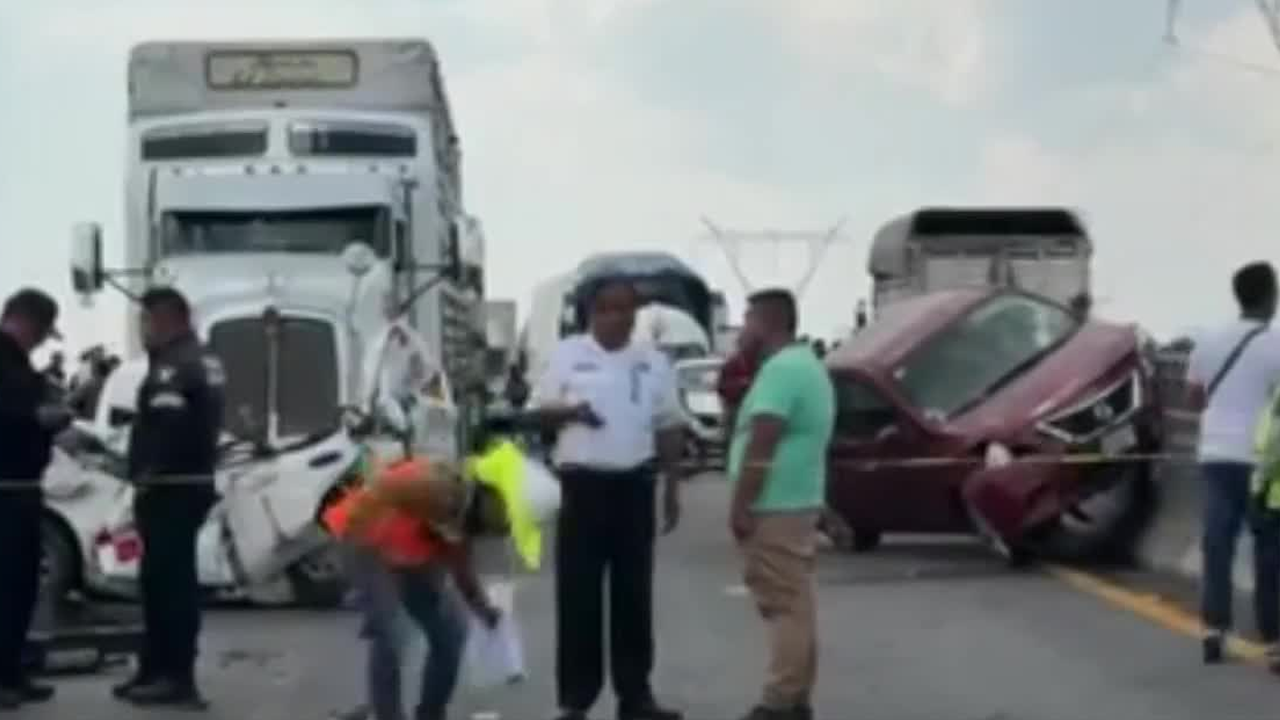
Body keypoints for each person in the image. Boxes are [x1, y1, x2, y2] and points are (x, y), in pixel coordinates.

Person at [532, 276, 684, 720]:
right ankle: (575, 701)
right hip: (583, 487)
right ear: (592, 313)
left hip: (634, 486)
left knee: (633, 595)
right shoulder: (568, 355)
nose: (618, 318)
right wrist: (572, 412)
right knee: (578, 595)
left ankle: (635, 696)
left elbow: (668, 424)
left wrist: (672, 488)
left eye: (626, 309)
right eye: (608, 309)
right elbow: (540, 412)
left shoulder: (652, 362)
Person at [323, 454, 506, 720]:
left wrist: (483, 609)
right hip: (367, 544)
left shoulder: (461, 522)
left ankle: (431, 713)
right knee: (392, 633)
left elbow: (461, 569)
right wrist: (374, 598)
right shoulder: (425, 483)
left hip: (412, 555)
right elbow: (370, 499)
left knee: (452, 631)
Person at [113, 287, 225, 707]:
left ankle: (175, 677)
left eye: (144, 321)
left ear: (163, 319)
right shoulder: (203, 357)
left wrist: (147, 472)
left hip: (170, 487)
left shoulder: (174, 365)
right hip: (187, 484)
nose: (142, 331)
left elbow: (169, 425)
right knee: (160, 580)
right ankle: (155, 668)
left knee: (168, 585)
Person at [727, 288, 835, 720]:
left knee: (782, 606)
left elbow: (763, 442)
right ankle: (797, 697)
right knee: (796, 603)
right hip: (795, 500)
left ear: (768, 322)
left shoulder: (781, 371)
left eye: (748, 320)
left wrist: (741, 504)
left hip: (775, 503)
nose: (742, 331)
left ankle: (779, 701)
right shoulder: (807, 365)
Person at [1185, 261, 1280, 670]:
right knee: (1269, 550)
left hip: (1217, 456)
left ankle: (1213, 630)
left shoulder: (1208, 340)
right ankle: (1274, 639)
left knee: (1218, 544)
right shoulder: (1276, 344)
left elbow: (1193, 398)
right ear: (1270, 296)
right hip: (1262, 464)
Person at [0, 289, 70, 710]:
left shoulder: (20, 364)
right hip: (4, 489)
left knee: (22, 585)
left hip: (23, 487)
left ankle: (12, 669)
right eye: (42, 331)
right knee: (6, 586)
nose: (43, 340)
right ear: (27, 321)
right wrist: (36, 417)